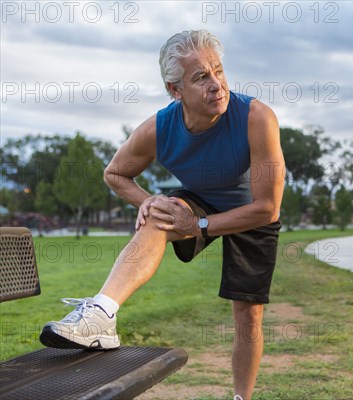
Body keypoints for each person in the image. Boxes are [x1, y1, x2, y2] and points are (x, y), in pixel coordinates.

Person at [39, 29, 285, 400]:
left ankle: (241, 397)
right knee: (159, 214)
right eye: (201, 77)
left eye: (218, 71)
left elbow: (268, 208)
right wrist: (146, 200)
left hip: (251, 212)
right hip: (199, 198)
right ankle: (102, 315)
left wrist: (200, 224)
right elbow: (115, 173)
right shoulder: (160, 127)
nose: (216, 85)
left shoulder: (256, 117)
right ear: (175, 90)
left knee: (248, 316)